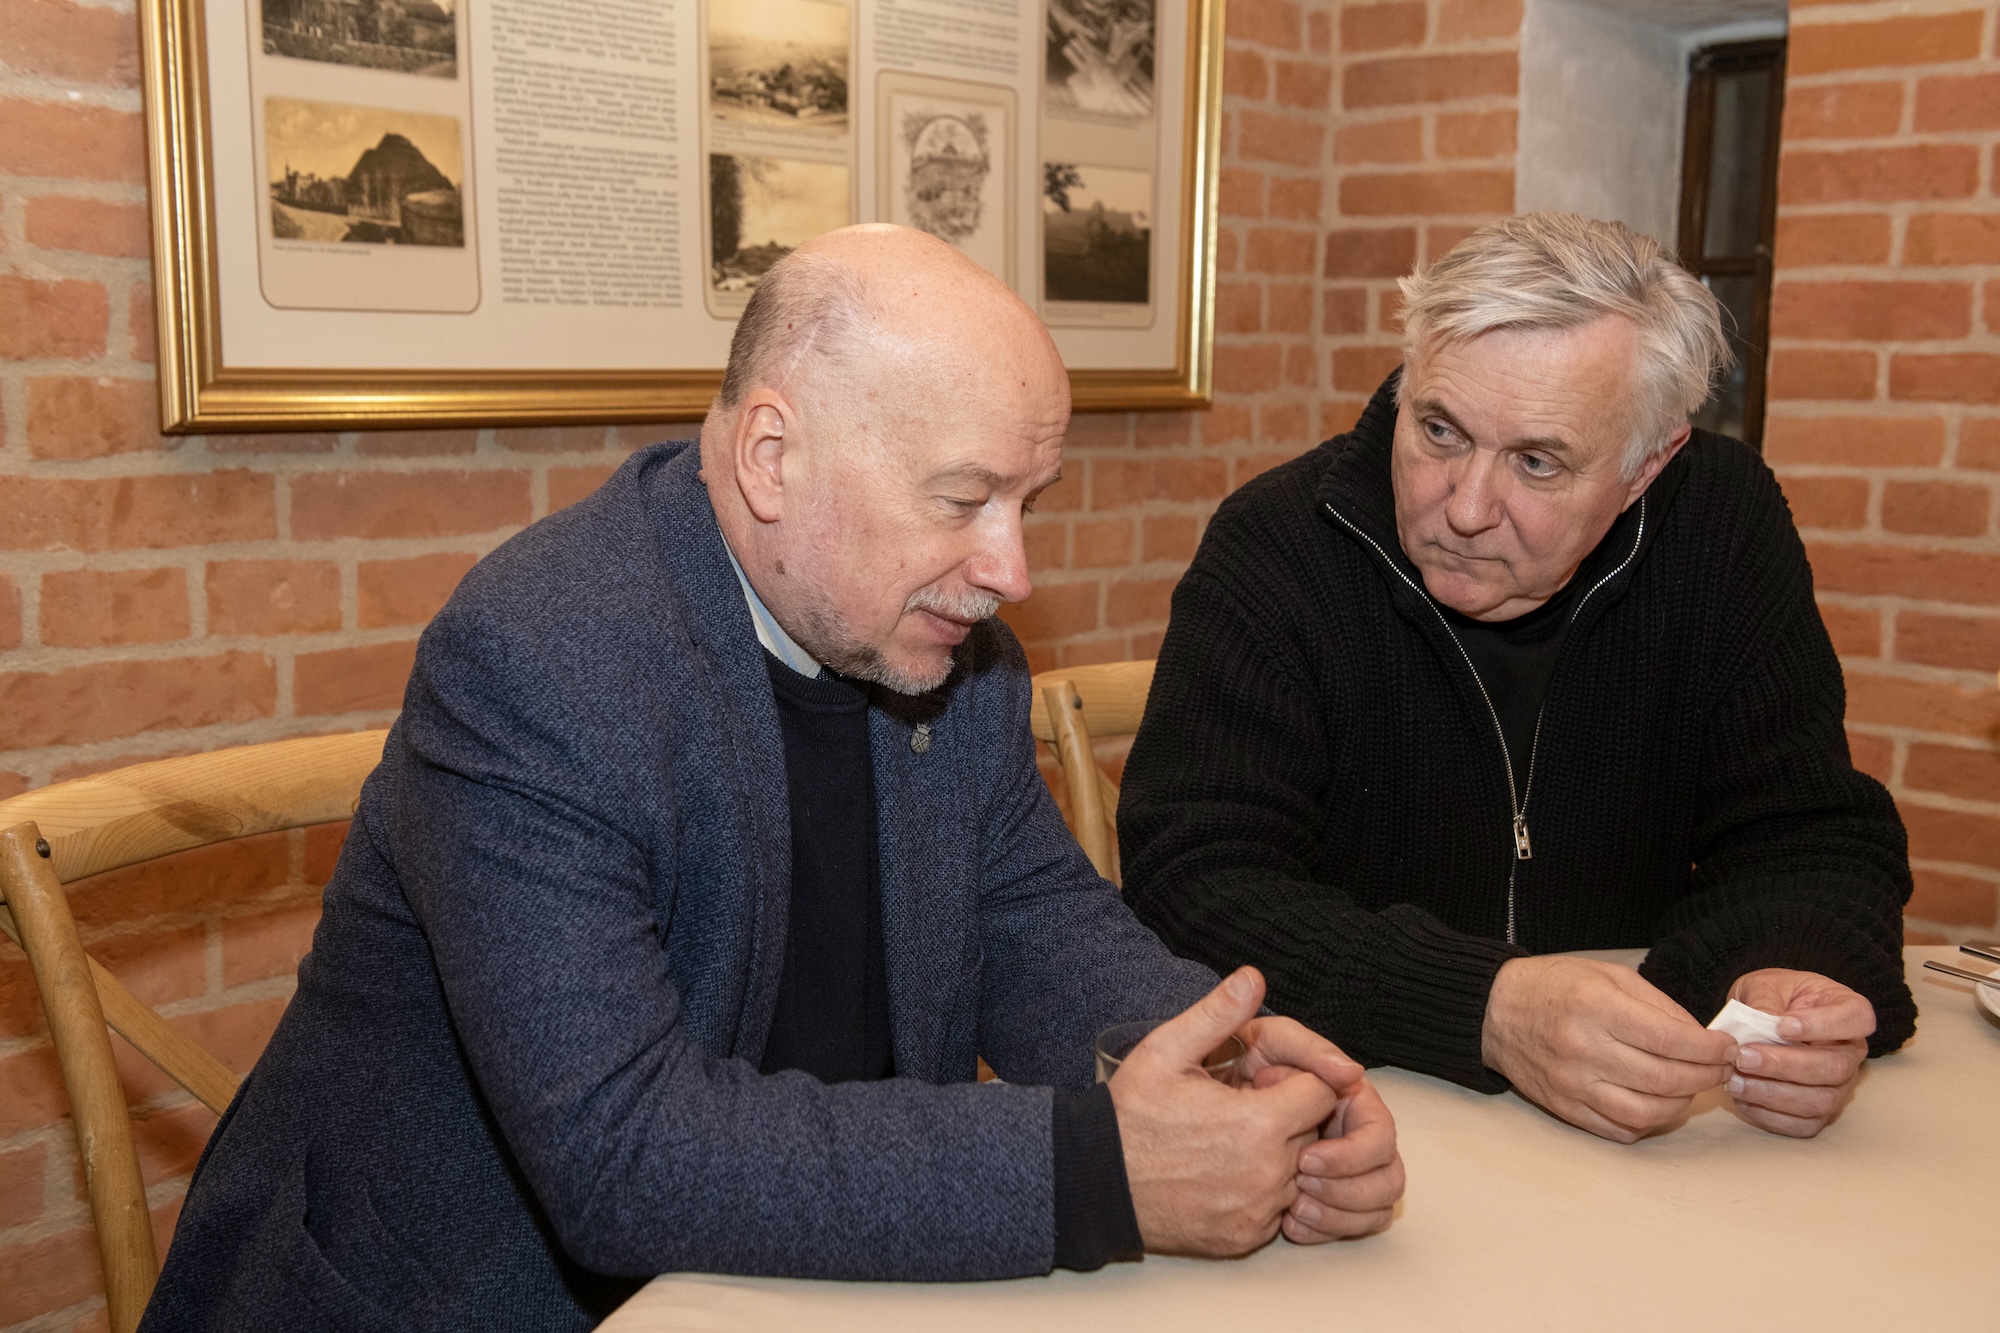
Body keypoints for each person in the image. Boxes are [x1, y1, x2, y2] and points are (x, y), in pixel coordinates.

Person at [141, 226, 1404, 1331]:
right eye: (962, 498)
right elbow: (623, 1153)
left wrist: (1229, 1076)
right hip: (481, 1301)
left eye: (1026, 502)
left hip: (794, 1282)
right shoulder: (541, 656)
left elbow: (1034, 928)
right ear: (769, 457)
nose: (1010, 570)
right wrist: (1096, 1167)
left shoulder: (949, 657)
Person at [1119, 212, 1916, 1147]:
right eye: (1440, 430)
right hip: (1362, 1113)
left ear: (1647, 467)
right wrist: (1485, 1005)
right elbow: (1194, 886)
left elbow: (1809, 834)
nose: (1464, 508)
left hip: (1649, 1129)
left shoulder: (1721, 527)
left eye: (1537, 462)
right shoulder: (1279, 546)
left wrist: (1784, 972)